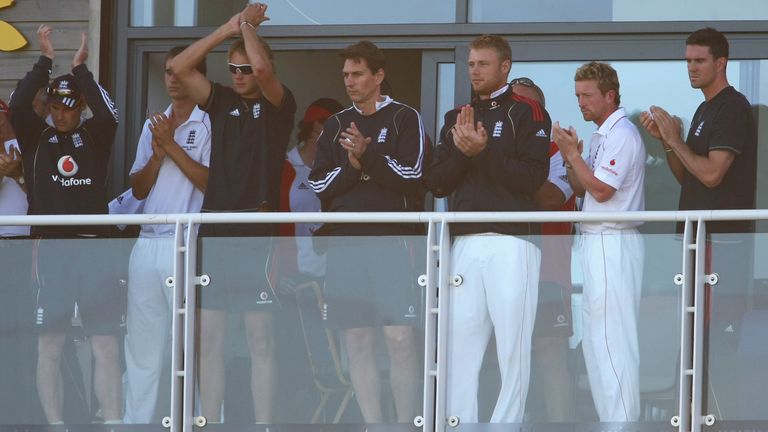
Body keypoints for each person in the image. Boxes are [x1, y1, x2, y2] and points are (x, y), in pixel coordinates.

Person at [169, 3, 296, 423]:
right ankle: (208, 420)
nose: (240, 75)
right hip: (216, 229)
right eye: (233, 69)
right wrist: (227, 28)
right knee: (209, 341)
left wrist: (247, 29)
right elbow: (179, 66)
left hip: (257, 231)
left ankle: (262, 425)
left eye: (245, 68)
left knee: (260, 339)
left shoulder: (281, 104)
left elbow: (263, 72)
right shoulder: (220, 101)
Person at [425, 35, 551, 423]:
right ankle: (457, 423)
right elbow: (437, 183)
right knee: (459, 347)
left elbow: (532, 180)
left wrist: (484, 153)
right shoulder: (455, 117)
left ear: (505, 67)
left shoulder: (528, 113)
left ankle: (506, 426)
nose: (474, 70)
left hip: (513, 242)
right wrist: (465, 154)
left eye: (482, 63)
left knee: (513, 347)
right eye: (470, 64)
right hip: (463, 240)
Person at [640, 27, 757, 417]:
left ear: (720, 63)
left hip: (724, 249)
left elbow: (711, 175)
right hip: (698, 244)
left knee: (717, 346)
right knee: (694, 341)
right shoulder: (705, 109)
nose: (690, 68)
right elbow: (688, 177)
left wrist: (675, 140)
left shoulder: (732, 107)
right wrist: (666, 141)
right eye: (687, 60)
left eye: (699, 61)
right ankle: (694, 419)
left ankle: (724, 423)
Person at [308, 41, 425, 423]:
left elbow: (414, 176)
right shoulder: (336, 124)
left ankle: (406, 425)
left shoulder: (405, 117)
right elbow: (320, 186)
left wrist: (368, 156)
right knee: (357, 340)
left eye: (357, 74)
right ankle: (374, 426)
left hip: (392, 243)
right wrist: (354, 167)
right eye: (345, 74)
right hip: (345, 245)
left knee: (400, 340)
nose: (349, 81)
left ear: (378, 76)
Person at [10, 25, 122, 424]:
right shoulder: (35, 137)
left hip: (95, 250)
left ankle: (113, 423)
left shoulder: (95, 135)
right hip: (52, 252)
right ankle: (56, 426)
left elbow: (111, 111)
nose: (61, 115)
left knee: (105, 344)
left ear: (80, 108)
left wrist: (80, 70)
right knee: (50, 347)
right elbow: (20, 104)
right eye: (56, 107)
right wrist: (44, 61)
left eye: (69, 107)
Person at [552, 61, 646, 422]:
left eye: (587, 95)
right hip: (595, 241)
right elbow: (582, 189)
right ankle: (612, 420)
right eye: (577, 96)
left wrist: (574, 155)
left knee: (612, 340)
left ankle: (621, 423)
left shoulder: (622, 134)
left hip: (613, 239)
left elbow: (603, 191)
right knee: (594, 340)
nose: (581, 102)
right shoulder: (600, 135)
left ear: (609, 95)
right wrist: (569, 154)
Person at [122, 46, 211, 424]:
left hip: (186, 242)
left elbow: (211, 184)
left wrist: (171, 145)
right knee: (142, 345)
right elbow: (138, 189)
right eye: (168, 73)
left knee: (189, 345)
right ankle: (135, 422)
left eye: (181, 72)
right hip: (147, 240)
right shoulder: (152, 124)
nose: (173, 79)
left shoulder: (210, 122)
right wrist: (158, 153)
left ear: (197, 76)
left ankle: (195, 420)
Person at [510, 78, 575, 422]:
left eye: (529, 109)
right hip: (503, 271)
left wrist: (504, 177)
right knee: (502, 357)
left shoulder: (557, 153)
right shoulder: (495, 152)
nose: (520, 114)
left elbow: (551, 199)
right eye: (514, 106)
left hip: (548, 272)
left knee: (551, 356)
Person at [276, 98, 343, 285]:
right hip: (293, 271)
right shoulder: (285, 168)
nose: (341, 135)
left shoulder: (341, 171)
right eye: (335, 127)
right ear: (315, 127)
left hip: (333, 271)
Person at [0, 98, 37, 424]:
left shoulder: (31, 142)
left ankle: (21, 413)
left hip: (25, 247)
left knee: (22, 335)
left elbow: (48, 198)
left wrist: (19, 172)